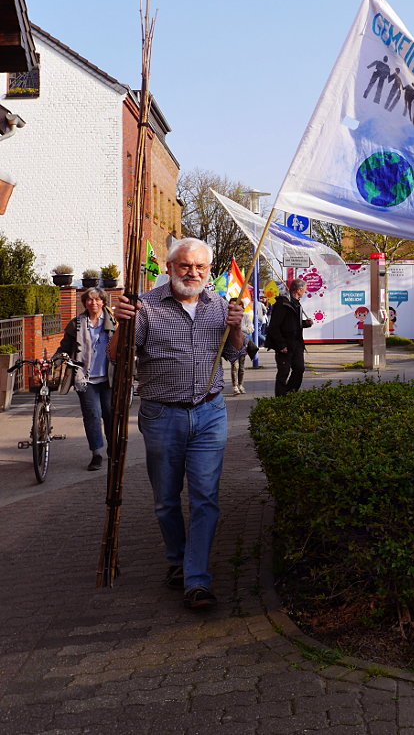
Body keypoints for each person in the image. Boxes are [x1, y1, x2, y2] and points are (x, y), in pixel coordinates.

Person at [109, 238, 246, 610]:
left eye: (200, 267)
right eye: (185, 266)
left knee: (205, 498)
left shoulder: (219, 305)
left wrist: (236, 328)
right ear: (169, 268)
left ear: (209, 270)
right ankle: (177, 560)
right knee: (166, 500)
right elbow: (118, 357)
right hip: (161, 414)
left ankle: (196, 579)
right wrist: (121, 324)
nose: (193, 273)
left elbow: (235, 353)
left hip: (209, 412)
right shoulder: (146, 308)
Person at [56, 287, 117, 471]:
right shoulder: (76, 324)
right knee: (92, 416)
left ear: (103, 302)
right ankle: (96, 453)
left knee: (110, 415)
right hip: (85, 378)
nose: (94, 303)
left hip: (108, 378)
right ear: (84, 303)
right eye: (90, 300)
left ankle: (113, 449)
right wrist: (55, 361)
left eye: (97, 299)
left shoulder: (113, 323)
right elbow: (64, 347)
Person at [267, 278, 313, 396]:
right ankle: (281, 397)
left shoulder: (297, 304)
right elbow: (274, 326)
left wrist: (305, 324)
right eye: (304, 289)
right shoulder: (283, 304)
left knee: (299, 368)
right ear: (298, 290)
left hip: (297, 344)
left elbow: (293, 324)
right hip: (285, 345)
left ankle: (291, 391)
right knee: (284, 372)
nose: (305, 291)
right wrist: (281, 344)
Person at [231, 310, 256, 395]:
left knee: (241, 367)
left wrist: (240, 328)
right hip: (231, 345)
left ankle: (240, 385)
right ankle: (235, 386)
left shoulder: (245, 316)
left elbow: (251, 329)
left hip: (243, 345)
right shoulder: (229, 316)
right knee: (235, 366)